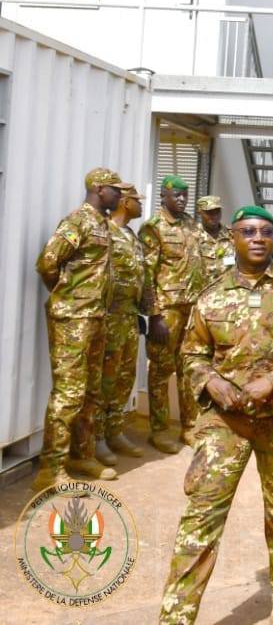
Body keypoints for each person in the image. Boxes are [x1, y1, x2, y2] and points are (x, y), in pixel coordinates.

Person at [158, 205, 273, 625]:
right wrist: (209, 382)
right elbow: (193, 352)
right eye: (249, 231)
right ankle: (177, 612)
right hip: (225, 422)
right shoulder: (212, 294)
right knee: (202, 512)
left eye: (266, 232)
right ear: (233, 237)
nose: (258, 238)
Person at [32, 167, 128, 490]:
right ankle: (50, 468)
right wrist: (67, 295)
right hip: (72, 320)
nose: (120, 195)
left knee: (91, 391)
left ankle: (82, 454)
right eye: (116, 190)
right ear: (99, 189)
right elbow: (47, 262)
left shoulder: (102, 223)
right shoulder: (77, 221)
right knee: (68, 393)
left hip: (97, 318)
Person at [140, 175, 205, 450]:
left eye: (184, 195)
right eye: (176, 195)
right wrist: (154, 316)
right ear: (164, 197)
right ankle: (159, 428)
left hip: (192, 307)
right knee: (160, 370)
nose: (181, 199)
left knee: (188, 367)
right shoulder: (153, 227)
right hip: (166, 310)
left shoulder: (191, 224)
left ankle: (189, 426)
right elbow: (146, 274)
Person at [96, 182, 149, 467]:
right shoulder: (105, 231)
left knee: (124, 378)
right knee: (105, 378)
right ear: (124, 202)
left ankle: (114, 431)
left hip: (129, 316)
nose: (141, 205)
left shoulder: (130, 235)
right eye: (136, 201)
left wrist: (150, 312)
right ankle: (96, 438)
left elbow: (145, 276)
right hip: (108, 316)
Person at [194, 195, 233, 284]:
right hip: (201, 291)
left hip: (226, 291)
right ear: (199, 212)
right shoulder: (192, 236)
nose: (214, 216)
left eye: (217, 212)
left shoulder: (231, 235)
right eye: (209, 212)